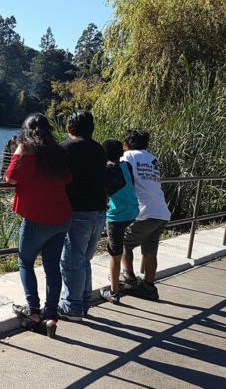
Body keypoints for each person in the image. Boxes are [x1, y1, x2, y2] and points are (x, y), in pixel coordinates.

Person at [5, 113, 72, 339]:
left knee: (25, 261)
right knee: (52, 265)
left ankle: (33, 312)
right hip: (61, 216)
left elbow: (11, 178)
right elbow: (67, 178)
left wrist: (18, 151)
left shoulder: (26, 148)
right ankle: (51, 316)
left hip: (37, 217)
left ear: (25, 129)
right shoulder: (58, 151)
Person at [58, 110, 108, 321]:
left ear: (69, 129)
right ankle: (84, 301)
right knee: (84, 259)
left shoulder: (66, 149)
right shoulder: (100, 150)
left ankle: (72, 306)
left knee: (71, 261)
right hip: (99, 211)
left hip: (78, 212)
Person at [120, 129, 170, 301]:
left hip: (145, 211)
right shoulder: (152, 158)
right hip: (161, 211)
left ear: (127, 143)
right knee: (150, 249)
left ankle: (129, 278)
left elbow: (119, 175)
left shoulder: (128, 156)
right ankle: (149, 286)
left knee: (123, 242)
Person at [99, 139, 140, 304]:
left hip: (117, 215)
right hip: (133, 211)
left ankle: (114, 292)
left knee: (115, 255)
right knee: (124, 247)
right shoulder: (127, 166)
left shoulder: (107, 170)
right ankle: (127, 276)